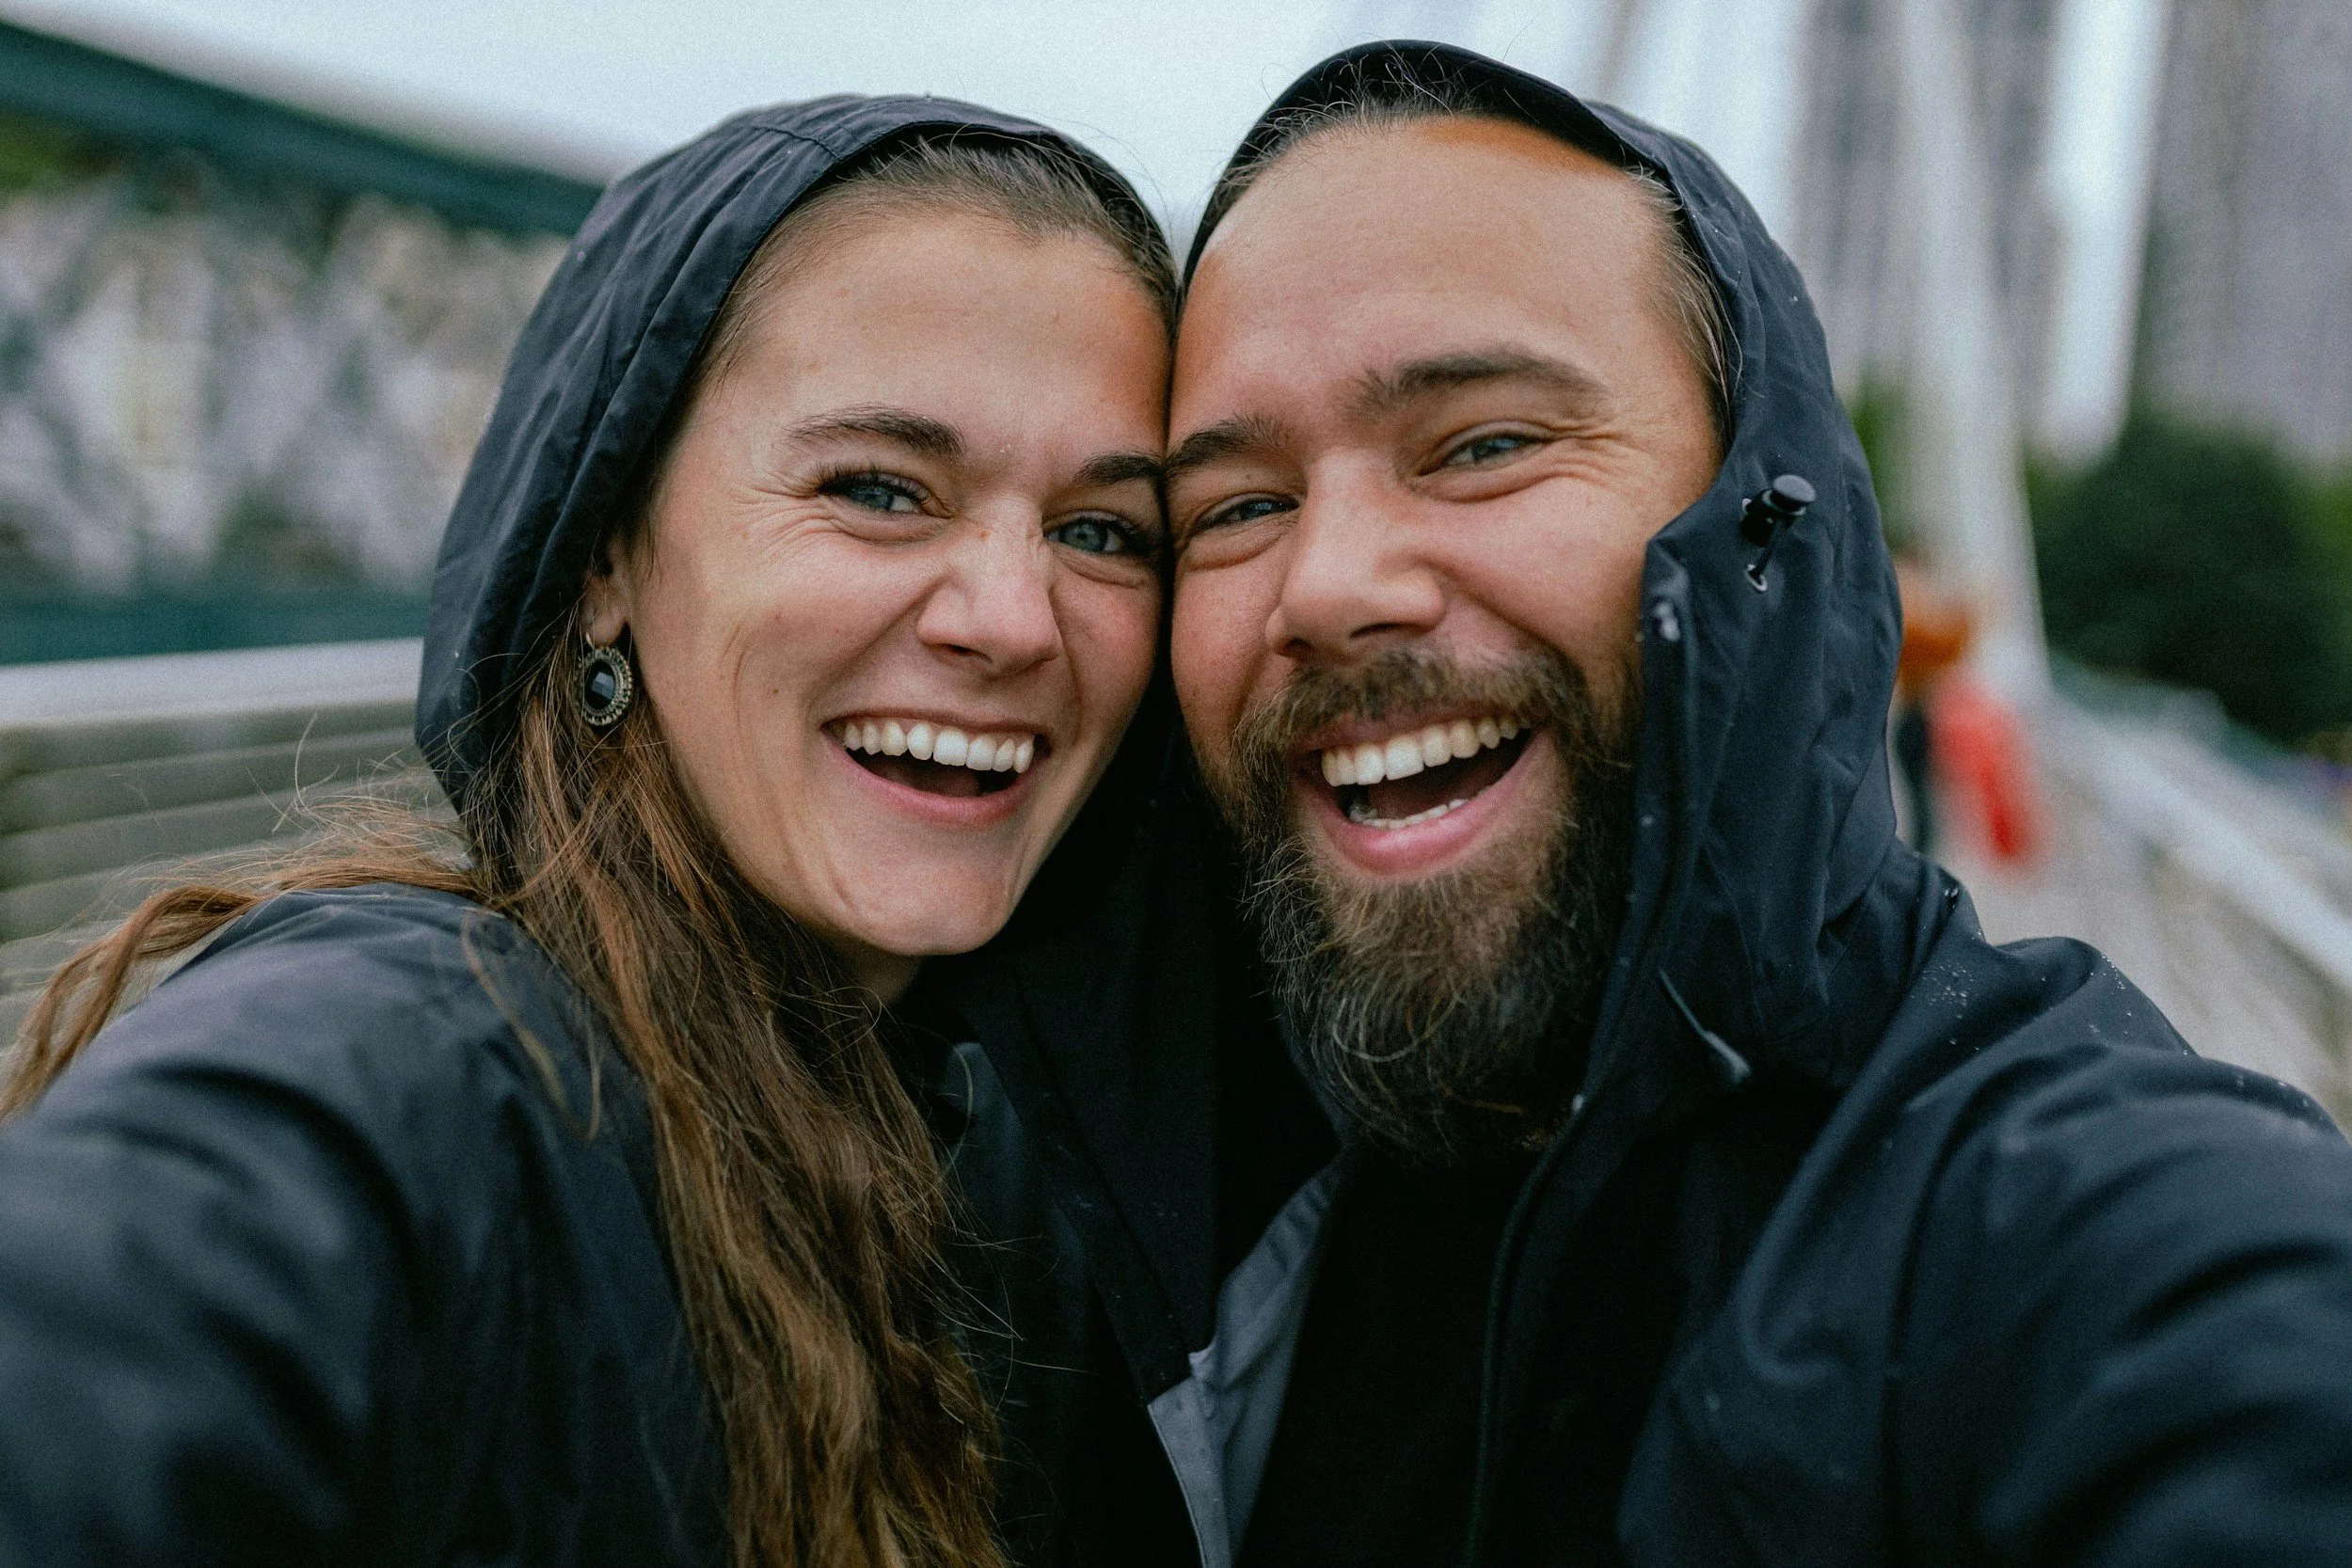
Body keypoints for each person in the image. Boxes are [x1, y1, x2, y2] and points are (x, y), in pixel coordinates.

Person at [915, 40, 2352, 1568]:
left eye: (1485, 445)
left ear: (1761, 521)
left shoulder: (2064, 1234)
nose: (1326, 586)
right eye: (1240, 507)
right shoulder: (1072, 1173)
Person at [0, 96, 1177, 1568]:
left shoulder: (1029, 1160)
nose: (1013, 618)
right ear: (609, 548)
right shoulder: (416, 1062)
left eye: (1103, 532)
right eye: (878, 490)